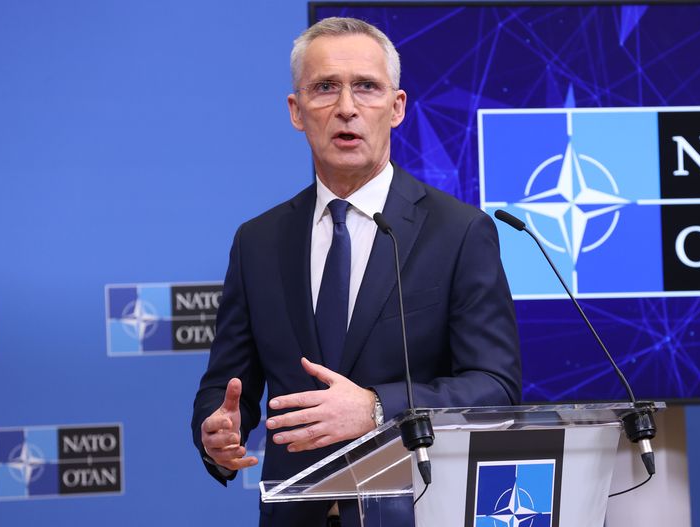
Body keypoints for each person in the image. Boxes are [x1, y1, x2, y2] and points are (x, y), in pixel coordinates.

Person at [191, 17, 521, 526]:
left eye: (366, 87)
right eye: (325, 88)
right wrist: (216, 431)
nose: (346, 107)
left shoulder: (458, 232)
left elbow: (496, 387)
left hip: (416, 510)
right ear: (296, 112)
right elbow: (226, 386)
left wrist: (376, 408)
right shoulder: (256, 241)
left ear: (396, 107)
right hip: (295, 513)